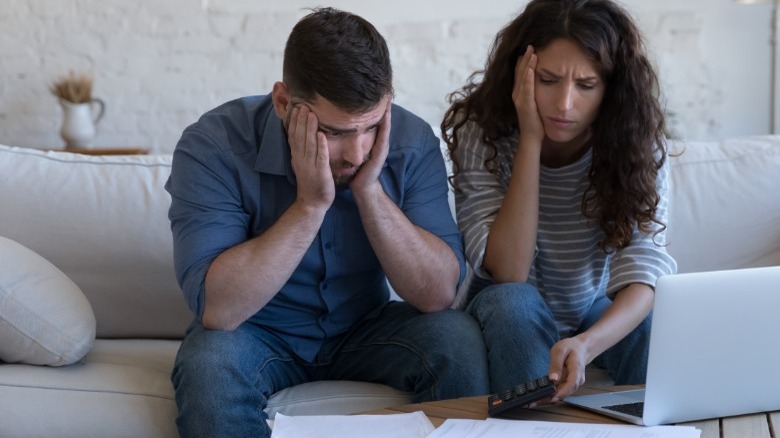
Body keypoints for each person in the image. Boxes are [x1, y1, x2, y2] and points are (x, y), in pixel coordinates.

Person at [165, 7, 489, 437]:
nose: (356, 152)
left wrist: (369, 191)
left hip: (366, 327)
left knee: (457, 339)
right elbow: (220, 310)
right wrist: (309, 205)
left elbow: (438, 294)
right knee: (207, 364)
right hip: (256, 332)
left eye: (371, 126)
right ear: (284, 103)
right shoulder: (214, 146)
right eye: (335, 132)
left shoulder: (410, 142)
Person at [441, 0, 677, 402]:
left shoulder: (637, 143)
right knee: (514, 302)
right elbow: (510, 271)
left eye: (586, 85)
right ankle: (536, 426)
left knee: (651, 317)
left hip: (590, 308)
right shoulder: (481, 132)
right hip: (504, 306)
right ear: (520, 73)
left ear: (611, 89)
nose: (564, 104)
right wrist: (531, 139)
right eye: (548, 80)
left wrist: (587, 344)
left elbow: (645, 272)